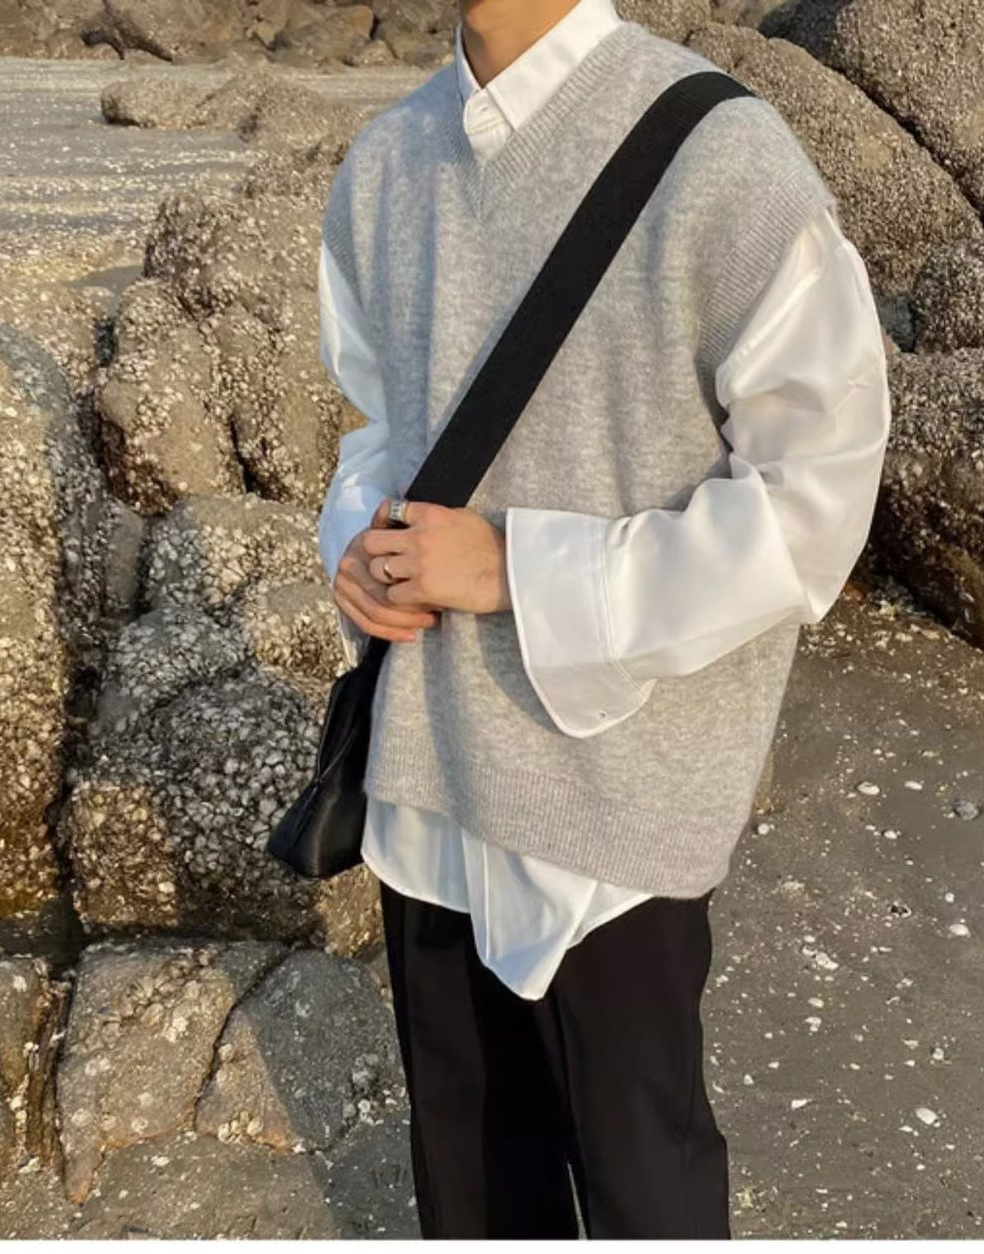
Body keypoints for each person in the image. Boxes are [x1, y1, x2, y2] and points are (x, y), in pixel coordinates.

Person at [316, 0, 891, 1238]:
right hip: (425, 775)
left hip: (612, 807)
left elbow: (815, 500)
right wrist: (355, 546)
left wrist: (520, 570)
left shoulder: (722, 155)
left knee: (645, 1188)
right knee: (470, 1185)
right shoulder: (385, 162)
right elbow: (377, 424)